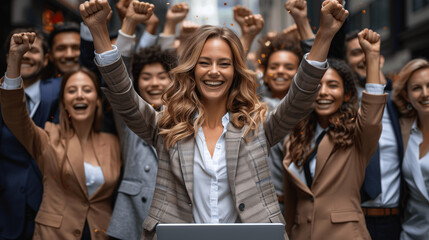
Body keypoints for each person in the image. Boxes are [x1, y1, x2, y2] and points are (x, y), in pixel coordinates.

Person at [80, 0, 347, 239]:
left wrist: (324, 35)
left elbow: (300, 97)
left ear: (236, 70)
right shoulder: (167, 125)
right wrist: (100, 32)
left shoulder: (258, 125)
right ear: (192, 69)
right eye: (204, 62)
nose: (214, 72)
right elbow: (123, 97)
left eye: (224, 63)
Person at [0, 32, 121, 239]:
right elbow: (14, 115)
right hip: (55, 234)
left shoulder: (113, 142)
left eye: (87, 90)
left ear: (98, 100)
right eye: (72, 90)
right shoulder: (48, 137)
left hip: (102, 233)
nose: (80, 95)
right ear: (63, 102)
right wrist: (14, 59)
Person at [282, 29, 386, 240]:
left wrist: (372, 57)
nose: (323, 93)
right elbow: (292, 200)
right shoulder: (295, 137)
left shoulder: (356, 134)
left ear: (347, 94)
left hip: (344, 234)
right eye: (317, 86)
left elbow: (372, 116)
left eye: (332, 85)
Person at [108, 45, 177, 240]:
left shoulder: (186, 119)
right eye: (146, 77)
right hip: (132, 219)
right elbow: (118, 78)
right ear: (136, 82)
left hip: (172, 218)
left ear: (173, 81)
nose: (154, 83)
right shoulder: (129, 119)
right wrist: (129, 25)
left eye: (162, 77)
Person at [0, 28, 60, 240]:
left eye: (32, 50)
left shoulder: (61, 90)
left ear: (46, 60)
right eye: (17, 51)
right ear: (9, 58)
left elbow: (90, 71)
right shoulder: (1, 95)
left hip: (48, 207)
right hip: (5, 208)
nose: (25, 54)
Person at [345, 30, 403, 240]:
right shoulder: (340, 105)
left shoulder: (400, 104)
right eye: (355, 52)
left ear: (381, 59)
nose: (364, 57)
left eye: (369, 52)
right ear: (346, 62)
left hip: (395, 219)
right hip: (353, 217)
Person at [391, 59, 429, 240]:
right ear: (406, 95)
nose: (425, 94)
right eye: (416, 88)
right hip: (412, 231)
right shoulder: (403, 130)